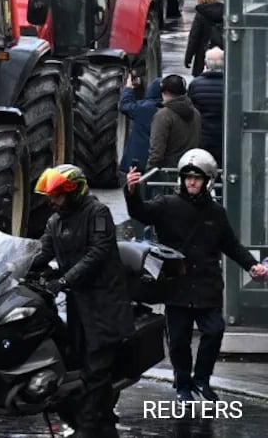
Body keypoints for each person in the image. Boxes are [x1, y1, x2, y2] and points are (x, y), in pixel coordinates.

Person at [125, 150, 268, 402]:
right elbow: (141, 212)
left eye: (197, 178)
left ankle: (202, 380)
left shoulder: (216, 212)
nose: (191, 182)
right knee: (179, 340)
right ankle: (183, 385)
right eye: (187, 177)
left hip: (207, 285)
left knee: (214, 331)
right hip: (176, 287)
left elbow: (231, 245)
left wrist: (251, 266)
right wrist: (132, 191)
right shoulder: (166, 204)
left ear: (208, 180)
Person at [31, 164, 133, 438]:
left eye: (58, 196)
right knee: (75, 362)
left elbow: (97, 252)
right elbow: (42, 250)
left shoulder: (98, 213)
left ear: (74, 192)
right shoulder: (56, 220)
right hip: (77, 303)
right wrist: (14, 268)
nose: (52, 202)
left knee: (96, 369)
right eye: (50, 196)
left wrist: (64, 281)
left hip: (104, 303)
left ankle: (87, 429)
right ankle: (101, 422)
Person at [148, 74, 200, 169]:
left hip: (168, 172)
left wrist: (150, 171)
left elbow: (156, 150)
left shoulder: (163, 115)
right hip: (189, 169)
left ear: (166, 92)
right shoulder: (195, 113)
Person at [119, 73, 162, 174]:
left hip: (139, 161)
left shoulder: (143, 108)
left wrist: (129, 88)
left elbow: (125, 105)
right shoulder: (171, 110)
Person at [187, 48, 224, 161]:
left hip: (202, 135)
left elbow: (190, 110)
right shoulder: (230, 85)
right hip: (224, 135)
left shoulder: (195, 85)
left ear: (205, 63)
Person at [184, 0, 223, 77]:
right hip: (222, 52)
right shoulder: (224, 12)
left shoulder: (201, 15)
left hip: (203, 54)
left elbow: (194, 38)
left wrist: (188, 58)